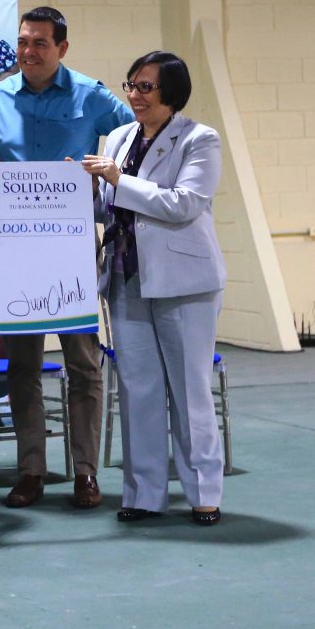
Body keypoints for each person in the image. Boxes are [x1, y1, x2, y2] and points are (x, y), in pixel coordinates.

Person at [0, 6, 134, 510]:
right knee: (22, 364)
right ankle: (32, 471)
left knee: (83, 363)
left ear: (62, 48)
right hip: (11, 249)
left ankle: (86, 472)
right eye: (23, 42)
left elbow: (137, 140)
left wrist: (103, 173)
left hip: (71, 247)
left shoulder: (92, 95)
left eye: (40, 43)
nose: (29, 52)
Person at [82, 51, 226, 526]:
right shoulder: (120, 137)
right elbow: (112, 204)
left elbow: (183, 204)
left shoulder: (200, 139)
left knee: (189, 391)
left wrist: (117, 179)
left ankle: (204, 493)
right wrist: (78, 190)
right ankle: (143, 493)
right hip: (126, 278)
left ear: (172, 92)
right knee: (138, 391)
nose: (135, 95)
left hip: (184, 283)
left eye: (146, 87)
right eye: (131, 85)